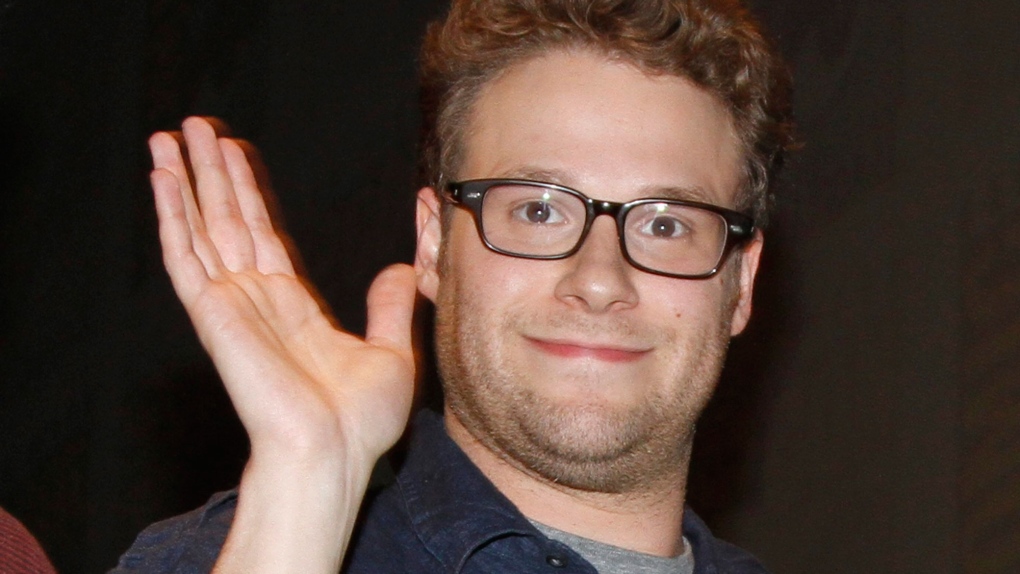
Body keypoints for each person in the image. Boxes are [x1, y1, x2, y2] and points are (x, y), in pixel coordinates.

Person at [111, 0, 793, 572]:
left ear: (741, 284)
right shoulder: (232, 554)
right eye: (537, 210)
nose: (599, 281)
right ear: (435, 245)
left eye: (668, 224)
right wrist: (301, 490)